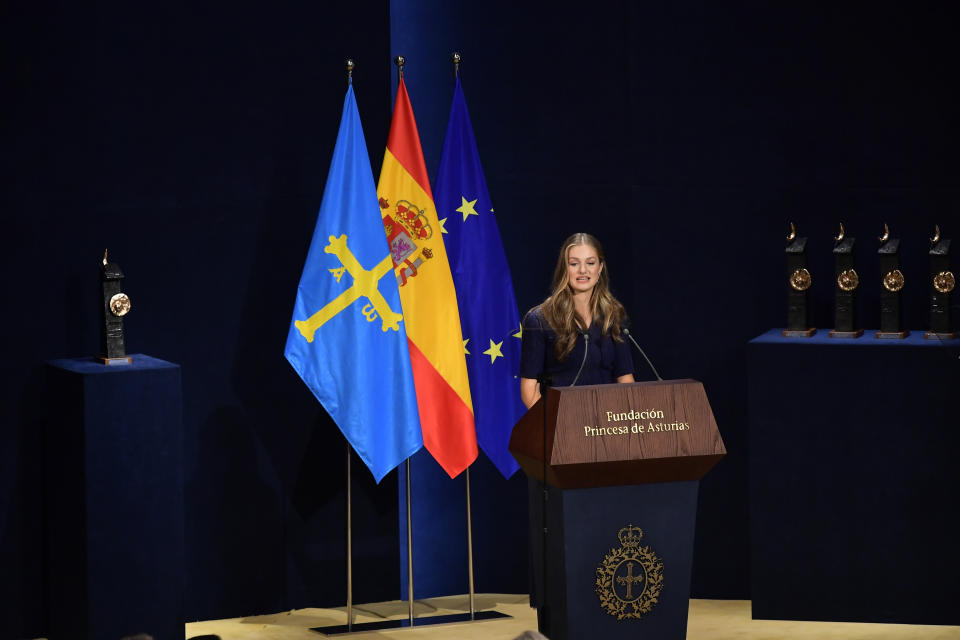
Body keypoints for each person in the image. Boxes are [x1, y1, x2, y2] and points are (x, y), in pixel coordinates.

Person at [519, 232, 635, 408]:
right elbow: (529, 390)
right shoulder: (539, 320)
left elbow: (625, 379)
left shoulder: (614, 316)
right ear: (564, 268)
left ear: (600, 268)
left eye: (590, 263)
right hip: (562, 426)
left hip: (608, 425)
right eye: (574, 264)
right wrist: (555, 427)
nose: (583, 270)